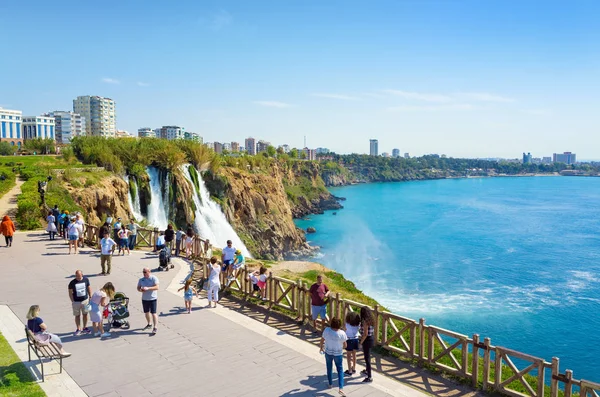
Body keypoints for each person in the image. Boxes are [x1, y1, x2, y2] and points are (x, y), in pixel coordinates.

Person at [320, 317, 347, 396]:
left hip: (328, 352)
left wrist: (321, 347)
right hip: (338, 354)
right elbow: (345, 345)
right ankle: (341, 388)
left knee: (329, 368)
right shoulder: (342, 333)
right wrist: (340, 347)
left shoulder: (327, 330)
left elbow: (322, 340)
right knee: (340, 370)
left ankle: (330, 384)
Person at [68, 270, 93, 335]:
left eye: (79, 276)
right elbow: (70, 292)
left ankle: (85, 327)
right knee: (77, 316)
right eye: (76, 276)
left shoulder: (86, 279)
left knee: (85, 314)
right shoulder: (72, 282)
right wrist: (72, 301)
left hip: (85, 300)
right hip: (76, 302)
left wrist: (90, 296)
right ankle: (78, 328)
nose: (78, 277)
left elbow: (89, 288)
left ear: (82, 275)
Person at [137, 267, 159, 334]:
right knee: (146, 312)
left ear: (149, 272)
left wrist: (148, 288)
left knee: (153, 313)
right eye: (143, 272)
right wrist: (141, 290)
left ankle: (155, 327)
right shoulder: (141, 280)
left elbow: (157, 287)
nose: (144, 273)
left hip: (152, 298)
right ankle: (149, 324)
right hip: (145, 298)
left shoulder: (153, 278)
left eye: (145, 272)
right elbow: (138, 288)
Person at [359, 307, 375, 383]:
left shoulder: (365, 321)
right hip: (371, 338)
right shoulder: (371, 320)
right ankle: (366, 371)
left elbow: (365, 334)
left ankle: (369, 376)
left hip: (367, 340)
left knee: (367, 358)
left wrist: (360, 343)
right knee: (367, 356)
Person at [343, 311, 361, 376]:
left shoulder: (347, 324)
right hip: (356, 339)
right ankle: (354, 368)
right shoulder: (358, 324)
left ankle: (349, 370)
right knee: (354, 354)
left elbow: (344, 330)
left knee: (348, 356)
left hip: (349, 340)